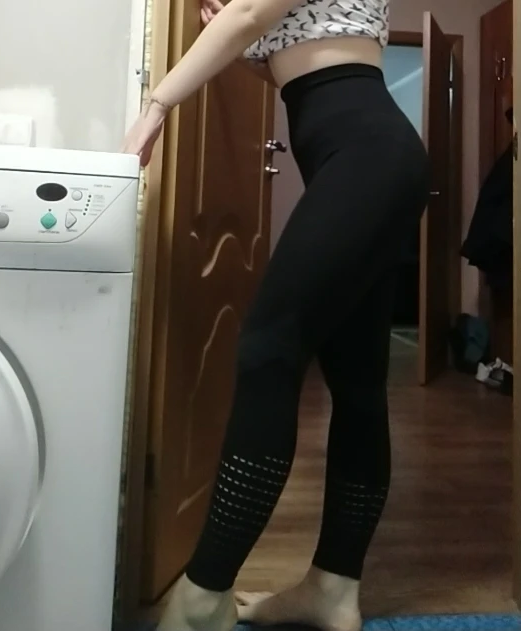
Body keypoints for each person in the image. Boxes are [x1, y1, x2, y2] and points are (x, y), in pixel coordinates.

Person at [123, 0, 430, 629]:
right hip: (367, 154)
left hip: (367, 154)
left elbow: (248, 15)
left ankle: (203, 595)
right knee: (357, 382)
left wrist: (156, 105)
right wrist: (243, 47)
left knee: (270, 347)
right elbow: (302, 64)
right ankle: (333, 590)